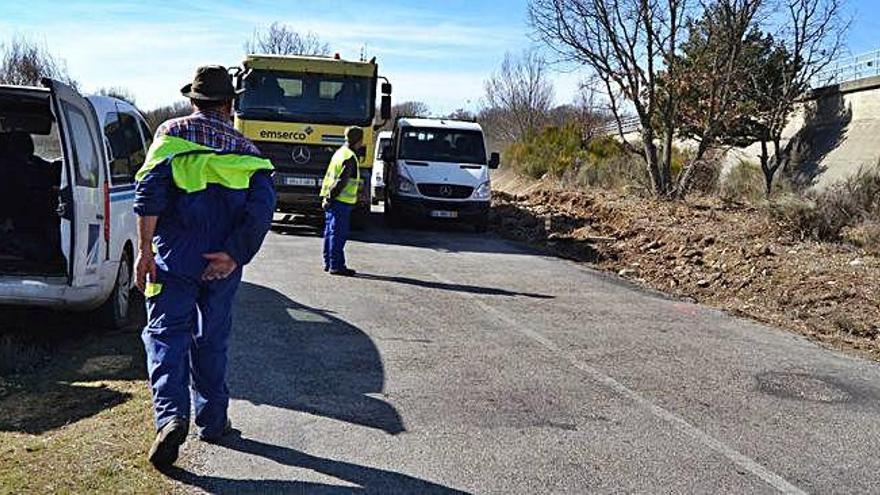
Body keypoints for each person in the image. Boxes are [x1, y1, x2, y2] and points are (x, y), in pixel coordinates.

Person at [133, 65, 276, 468]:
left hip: (173, 259)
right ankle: (213, 421)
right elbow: (262, 208)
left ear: (192, 101)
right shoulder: (248, 151)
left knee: (165, 336)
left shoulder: (170, 135)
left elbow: (149, 195)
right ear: (230, 105)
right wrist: (233, 254)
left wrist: (145, 250)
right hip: (222, 267)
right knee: (212, 339)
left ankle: (171, 418)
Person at [320, 126, 363, 276]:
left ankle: (328, 262)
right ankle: (336, 265)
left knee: (330, 232)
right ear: (358, 141)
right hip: (340, 201)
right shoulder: (350, 157)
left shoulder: (339, 153)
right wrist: (331, 197)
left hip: (332, 200)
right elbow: (341, 181)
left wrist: (327, 197)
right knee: (338, 234)